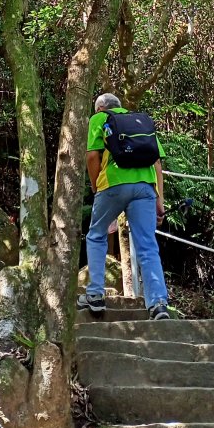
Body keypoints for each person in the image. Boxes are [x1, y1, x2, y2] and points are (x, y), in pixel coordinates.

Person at [78, 92, 170, 320]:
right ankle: (158, 304)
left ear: (99, 108)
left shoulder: (99, 119)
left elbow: (92, 156)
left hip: (113, 184)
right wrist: (160, 199)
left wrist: (95, 185)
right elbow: (157, 162)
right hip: (145, 186)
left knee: (96, 235)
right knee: (147, 245)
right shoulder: (140, 121)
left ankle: (96, 295)